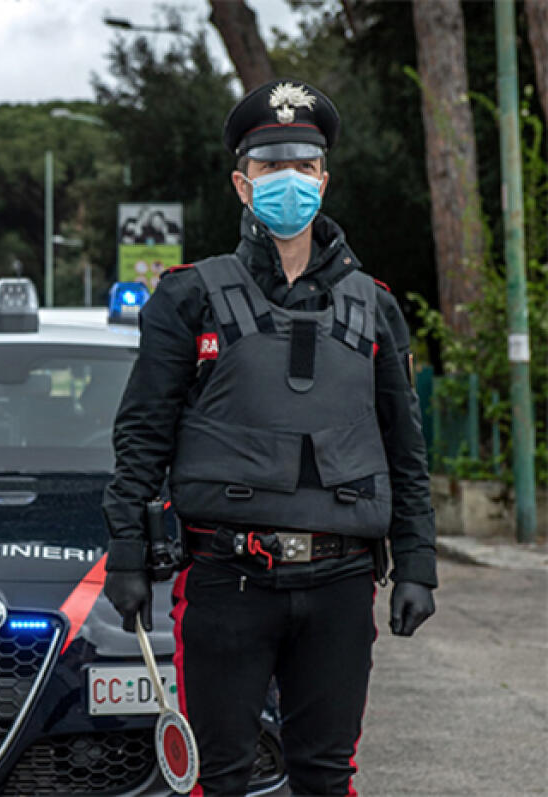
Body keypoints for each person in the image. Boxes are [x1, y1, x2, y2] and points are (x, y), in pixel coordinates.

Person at [101, 79, 437, 795]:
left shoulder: (375, 305)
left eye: (304, 166)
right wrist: (125, 553)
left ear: (324, 179)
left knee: (326, 774)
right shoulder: (188, 296)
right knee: (218, 776)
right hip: (227, 578)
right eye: (271, 166)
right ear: (242, 183)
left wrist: (417, 563)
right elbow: (142, 438)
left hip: (342, 580)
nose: (290, 180)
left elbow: (404, 448)